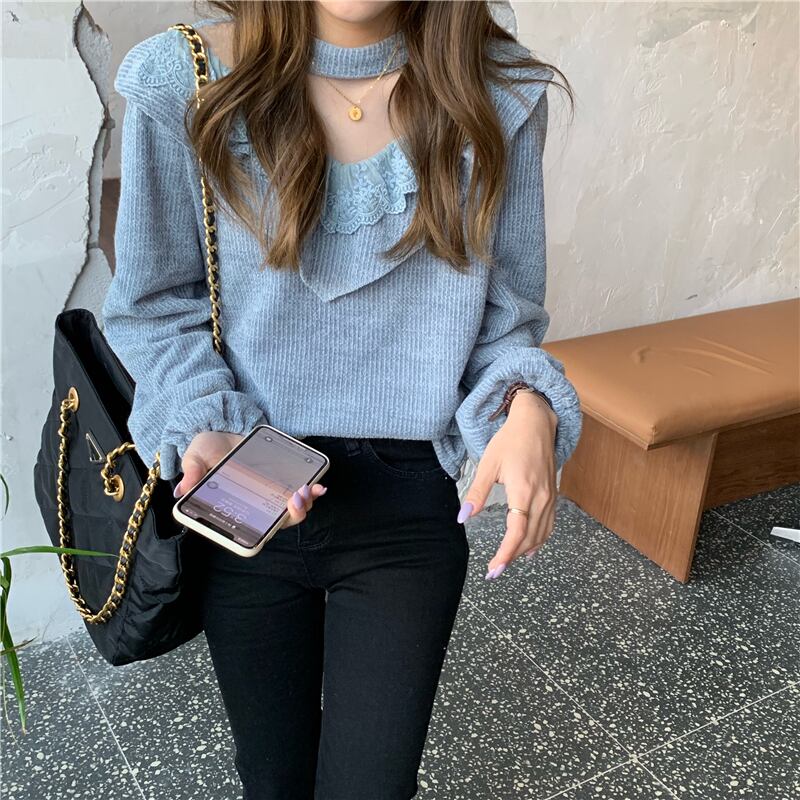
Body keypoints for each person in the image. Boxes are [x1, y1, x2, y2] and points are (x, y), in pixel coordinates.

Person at [102, 1, 581, 797]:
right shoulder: (183, 81)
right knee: (273, 777)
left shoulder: (498, 90)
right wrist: (206, 421)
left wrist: (528, 404)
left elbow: (506, 322)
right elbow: (152, 306)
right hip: (246, 486)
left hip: (408, 509)